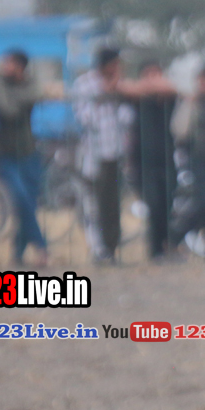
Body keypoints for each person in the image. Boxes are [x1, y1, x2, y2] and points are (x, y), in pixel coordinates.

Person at [0, 48, 54, 266]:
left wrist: (18, 97)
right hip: (4, 153)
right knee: (21, 197)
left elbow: (37, 94)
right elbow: (8, 110)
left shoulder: (29, 83)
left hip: (28, 151)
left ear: (20, 67)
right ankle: (41, 246)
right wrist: (23, 98)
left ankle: (18, 254)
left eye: (9, 63)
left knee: (29, 203)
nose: (4, 67)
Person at [73, 47, 135, 264]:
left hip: (115, 151)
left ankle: (111, 247)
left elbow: (128, 116)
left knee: (112, 204)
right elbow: (84, 116)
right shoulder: (84, 84)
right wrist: (104, 94)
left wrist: (117, 90)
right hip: (94, 152)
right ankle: (98, 248)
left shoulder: (121, 84)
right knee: (93, 204)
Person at [168, 66, 205, 255]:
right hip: (197, 156)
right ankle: (175, 234)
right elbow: (179, 130)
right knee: (204, 200)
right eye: (202, 79)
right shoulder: (191, 102)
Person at [128, 60, 178, 260]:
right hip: (143, 159)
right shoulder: (138, 100)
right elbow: (124, 86)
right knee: (154, 204)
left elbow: (172, 87)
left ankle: (166, 247)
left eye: (156, 74)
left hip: (166, 156)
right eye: (148, 74)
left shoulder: (168, 98)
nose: (153, 79)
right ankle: (156, 249)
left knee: (167, 202)